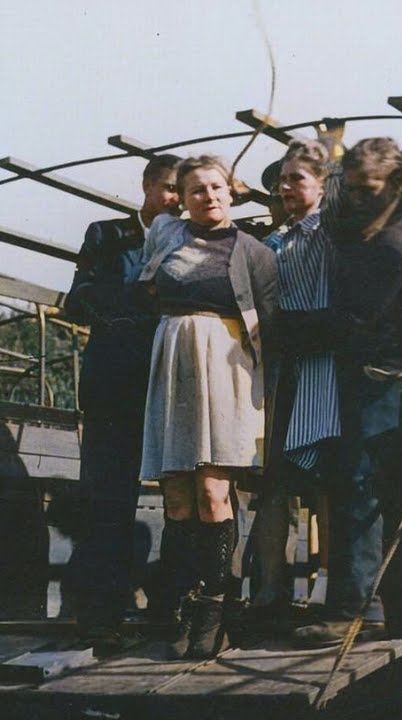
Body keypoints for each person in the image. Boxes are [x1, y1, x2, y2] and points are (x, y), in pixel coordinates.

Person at [135, 155, 280, 659]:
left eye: (217, 187)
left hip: (227, 369)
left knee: (214, 495)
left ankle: (215, 615)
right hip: (172, 363)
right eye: (196, 189)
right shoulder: (165, 233)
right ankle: (180, 605)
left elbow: (270, 323)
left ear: (232, 191)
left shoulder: (254, 251)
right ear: (182, 197)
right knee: (175, 498)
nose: (209, 197)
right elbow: (149, 268)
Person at [290, 137, 402, 646]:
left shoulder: (394, 247)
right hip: (365, 375)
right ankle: (383, 609)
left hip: (380, 380)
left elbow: (359, 324)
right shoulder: (370, 227)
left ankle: (357, 610)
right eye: (352, 188)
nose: (358, 198)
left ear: (396, 186)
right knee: (362, 487)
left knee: (361, 487)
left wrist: (289, 327)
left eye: (369, 189)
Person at [62, 154, 180, 652]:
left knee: (187, 500)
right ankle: (100, 615)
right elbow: (78, 299)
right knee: (109, 501)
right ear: (148, 186)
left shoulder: (194, 239)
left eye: (184, 190)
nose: (176, 199)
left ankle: (173, 608)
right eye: (170, 188)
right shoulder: (107, 236)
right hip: (116, 388)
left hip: (174, 390)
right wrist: (137, 301)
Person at [242, 139, 343, 635]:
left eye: (296, 179)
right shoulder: (273, 242)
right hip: (283, 368)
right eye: (280, 180)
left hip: (323, 365)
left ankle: (329, 584)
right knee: (274, 480)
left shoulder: (333, 233)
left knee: (325, 476)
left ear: (323, 185)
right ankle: (269, 590)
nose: (284, 188)